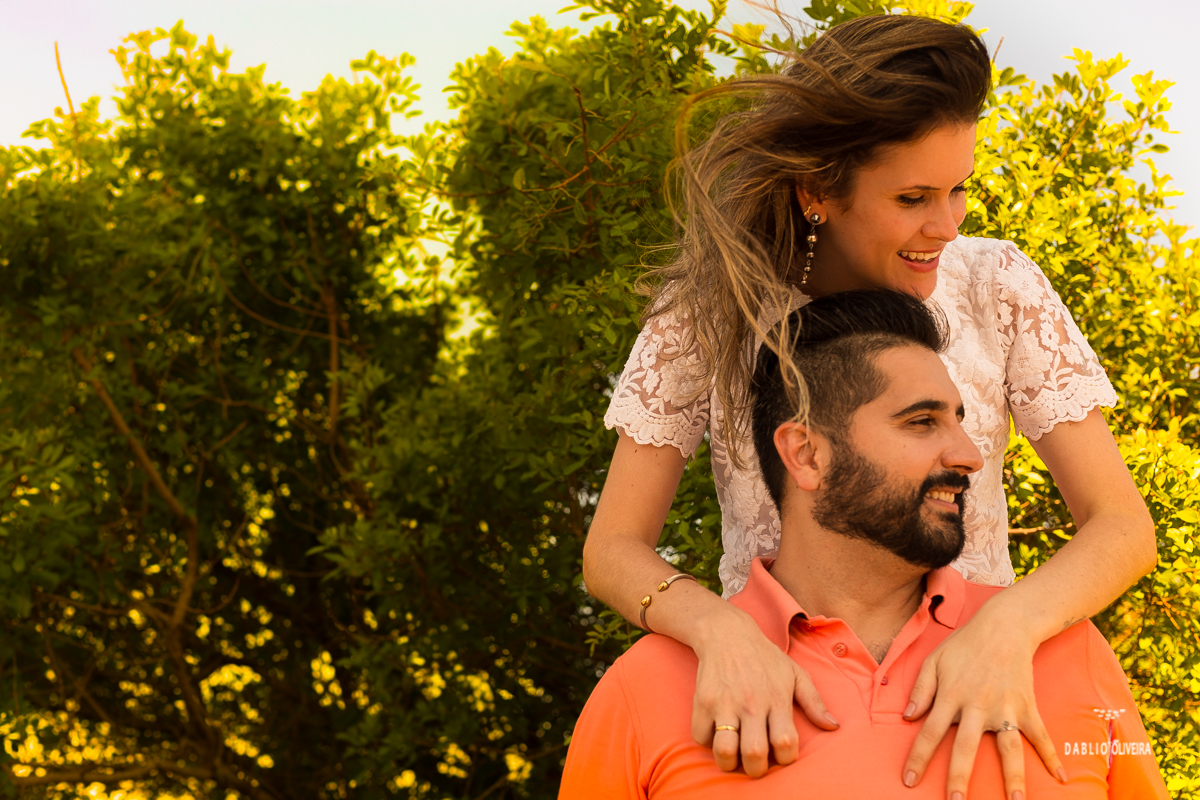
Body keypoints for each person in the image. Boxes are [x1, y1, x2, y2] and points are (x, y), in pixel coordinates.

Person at [583, 13, 1158, 799]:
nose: (946, 226)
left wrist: (1008, 628)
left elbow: (1121, 526)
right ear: (817, 191)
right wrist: (719, 632)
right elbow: (613, 547)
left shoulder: (997, 285)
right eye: (914, 197)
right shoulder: (708, 309)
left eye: (960, 190)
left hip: (980, 695)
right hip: (777, 709)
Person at [561, 290, 1168, 799]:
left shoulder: (1068, 654)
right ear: (807, 454)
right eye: (922, 422)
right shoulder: (649, 687)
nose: (970, 455)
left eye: (959, 419)